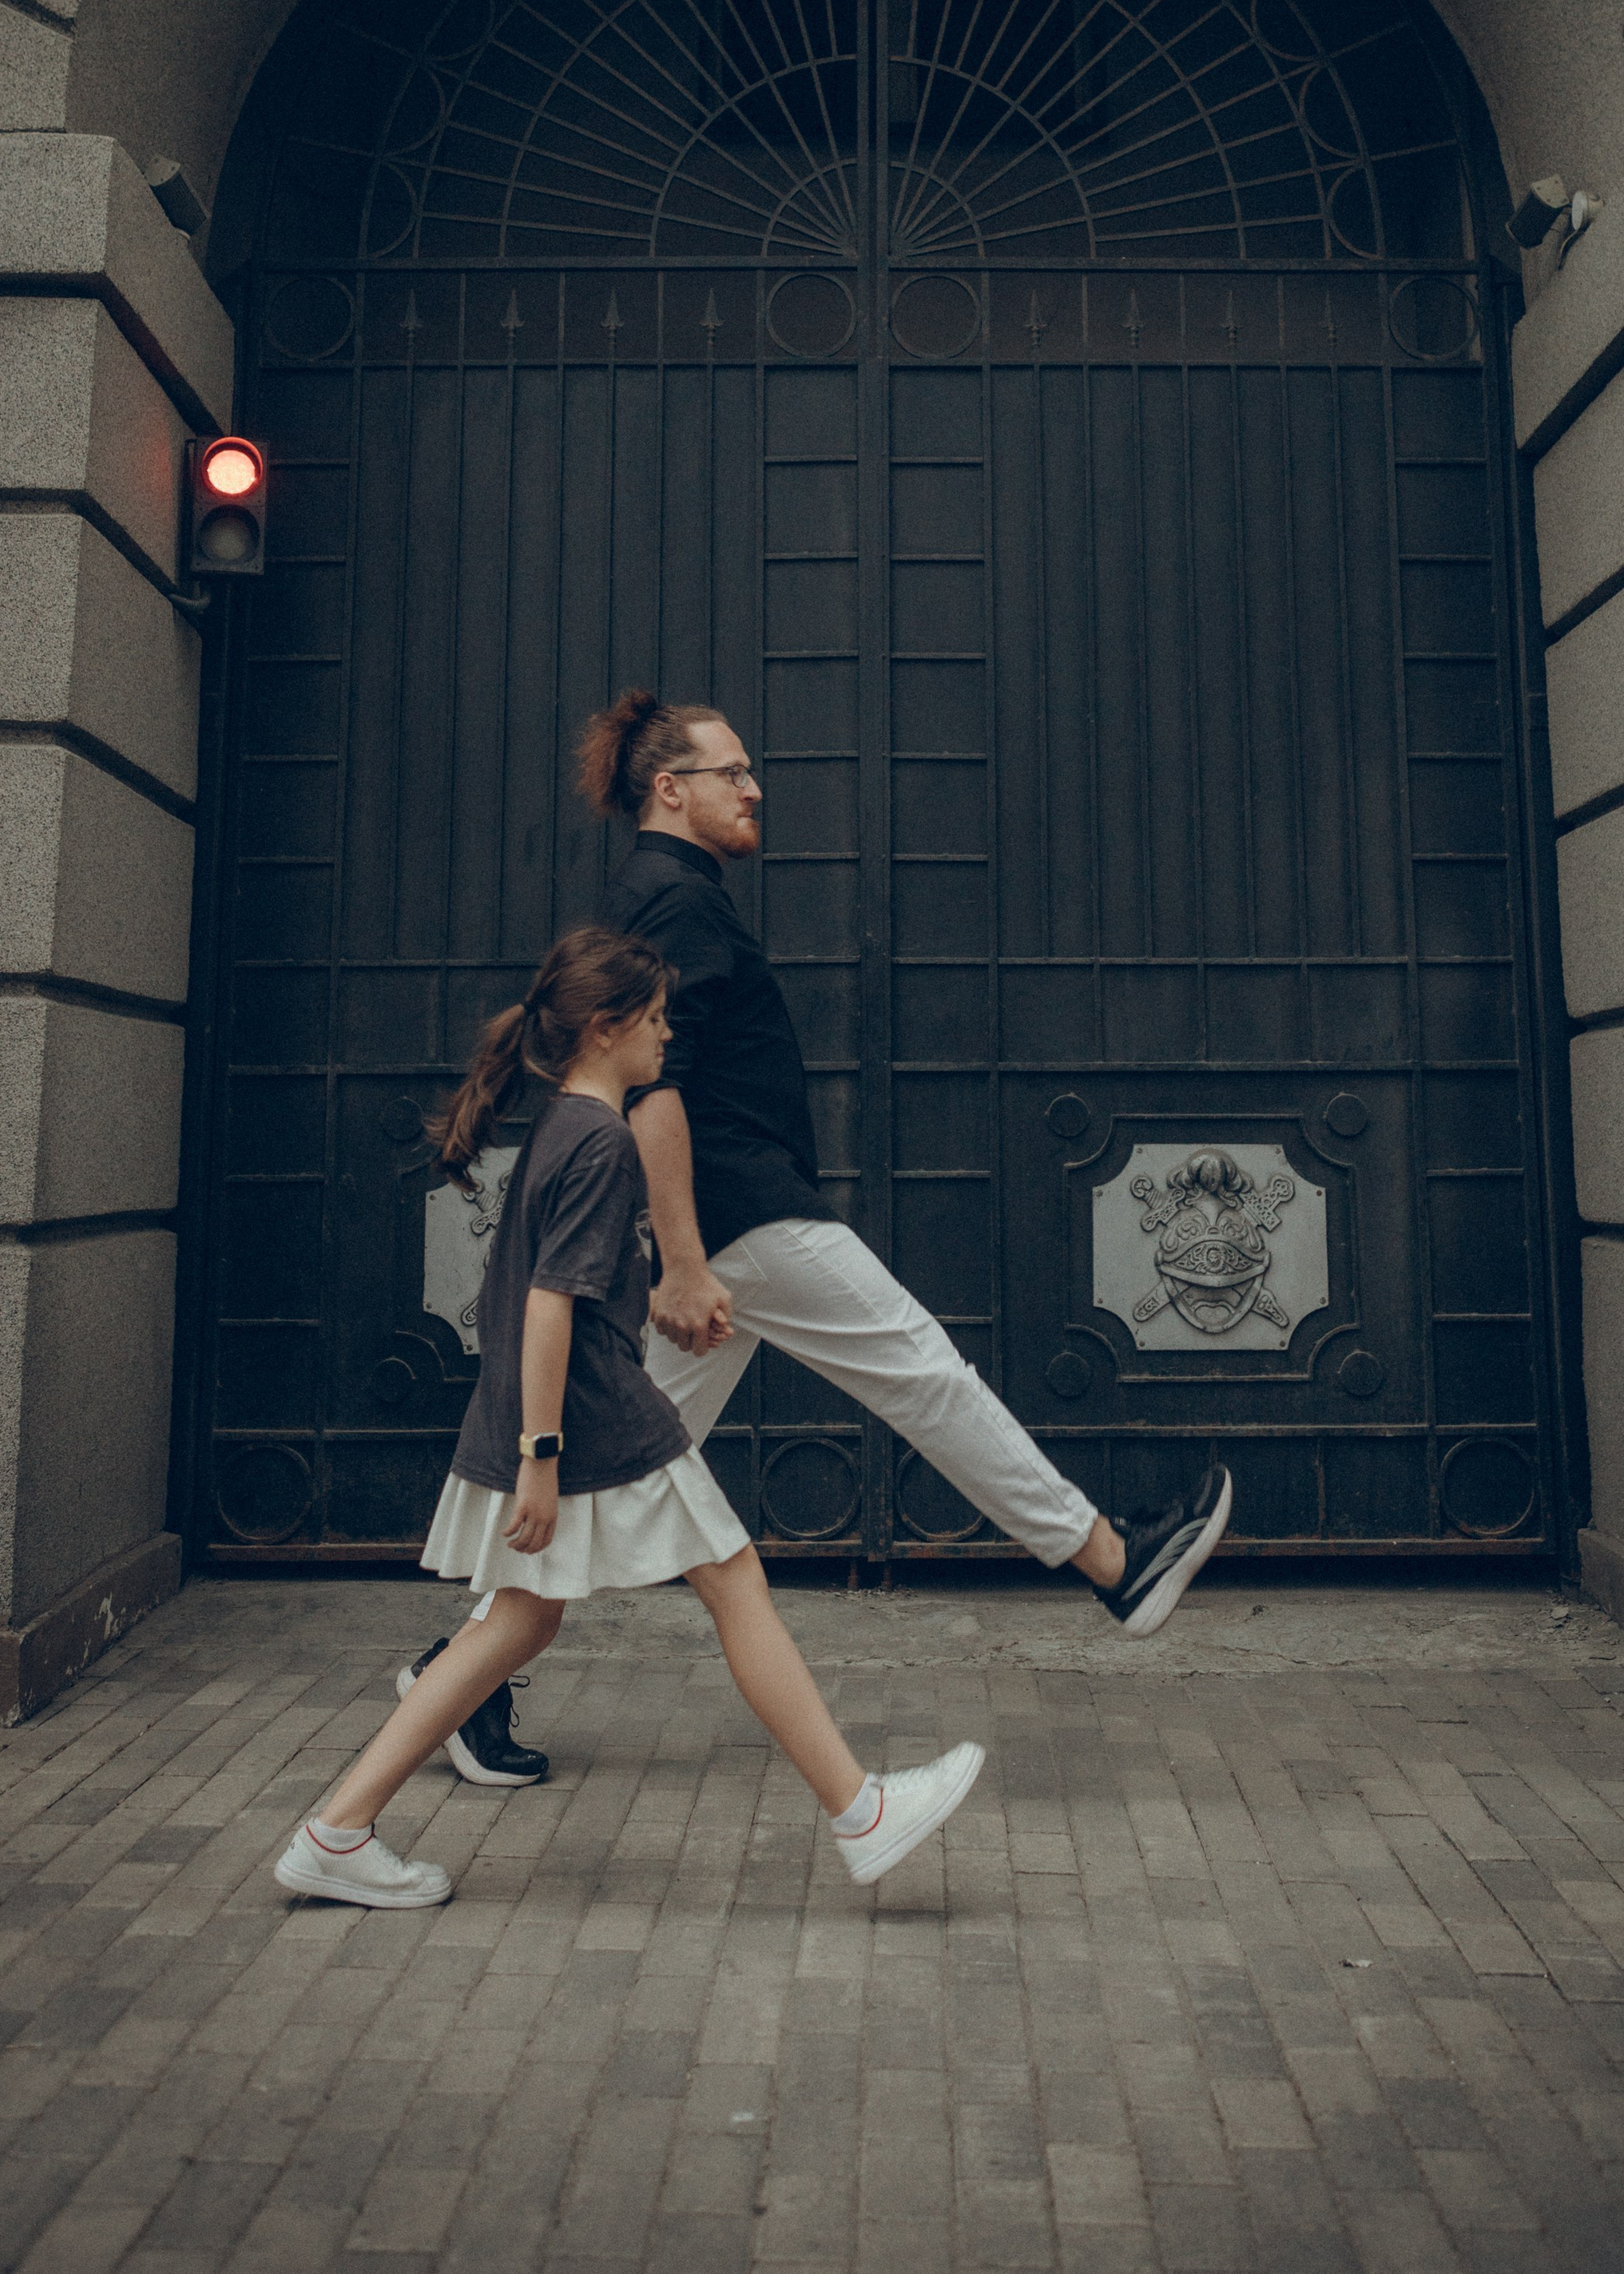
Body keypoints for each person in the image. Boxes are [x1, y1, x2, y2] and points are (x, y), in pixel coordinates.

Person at [276, 927, 983, 1909]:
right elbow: (546, 1306)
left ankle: (336, 1830)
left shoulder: (565, 1127)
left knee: (516, 1627)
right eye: (653, 1020)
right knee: (735, 1581)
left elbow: (546, 1284)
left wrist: (635, 1308)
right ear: (606, 1029)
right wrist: (540, 1457)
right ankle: (861, 1812)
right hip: (599, 1420)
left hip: (564, 1417)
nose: (666, 1036)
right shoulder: (605, 1141)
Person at [585, 689, 1233, 1633]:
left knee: (617, 1470)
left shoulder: (666, 893)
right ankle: (1113, 1560)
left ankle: (460, 1676)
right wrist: (682, 1261)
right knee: (923, 1373)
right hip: (742, 1215)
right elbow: (654, 1090)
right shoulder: (673, 900)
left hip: (724, 1219)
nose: (754, 789)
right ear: (670, 788)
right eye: (734, 772)